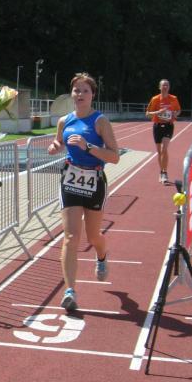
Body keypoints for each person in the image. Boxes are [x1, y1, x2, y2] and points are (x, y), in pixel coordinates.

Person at [47, 73, 120, 312]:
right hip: (70, 180)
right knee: (70, 236)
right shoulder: (64, 121)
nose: (80, 94)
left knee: (93, 236)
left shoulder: (100, 122)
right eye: (76, 90)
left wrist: (87, 146)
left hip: (94, 181)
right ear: (71, 94)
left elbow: (115, 157)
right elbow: (59, 142)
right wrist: (55, 146)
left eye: (85, 91)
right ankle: (70, 291)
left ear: (92, 95)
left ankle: (102, 255)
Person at [145, 79, 181, 183]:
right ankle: (161, 171)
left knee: (164, 149)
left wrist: (175, 114)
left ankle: (165, 172)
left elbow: (178, 110)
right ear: (159, 87)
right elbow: (147, 114)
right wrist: (158, 112)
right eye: (163, 85)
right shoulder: (155, 99)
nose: (165, 87)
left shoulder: (174, 99)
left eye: (167, 85)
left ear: (169, 87)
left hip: (169, 126)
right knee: (159, 151)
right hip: (157, 126)